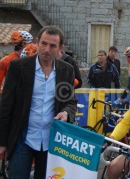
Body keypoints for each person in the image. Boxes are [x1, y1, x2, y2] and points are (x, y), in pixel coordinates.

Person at [0, 26, 78, 179]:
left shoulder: (66, 70)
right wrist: (2, 142)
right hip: (22, 139)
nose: (46, 49)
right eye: (43, 43)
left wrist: (66, 113)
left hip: (51, 142)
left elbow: (70, 101)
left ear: (60, 48)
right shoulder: (18, 67)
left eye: (52, 46)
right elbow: (6, 106)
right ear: (37, 42)